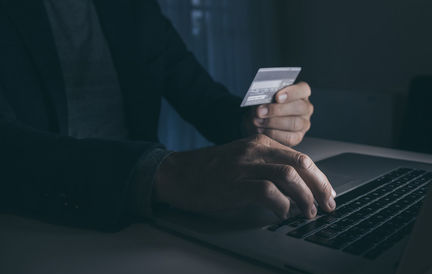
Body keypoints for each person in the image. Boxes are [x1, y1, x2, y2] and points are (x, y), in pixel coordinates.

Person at [0, 0, 336, 230]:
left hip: (148, 220)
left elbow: (202, 97)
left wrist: (254, 121)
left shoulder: (134, 9)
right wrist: (164, 172)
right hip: (35, 226)